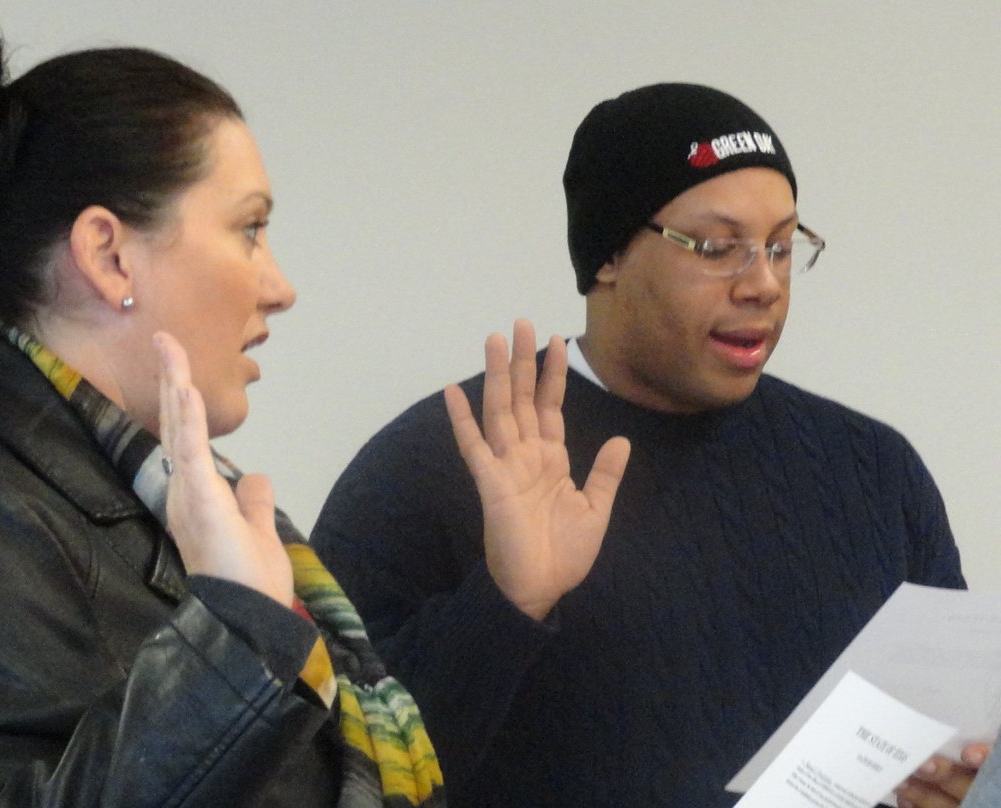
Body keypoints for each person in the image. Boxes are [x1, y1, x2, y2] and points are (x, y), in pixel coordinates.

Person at [0, 10, 631, 805]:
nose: (280, 287)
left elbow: (330, 778)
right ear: (109, 256)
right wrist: (234, 646)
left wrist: (509, 600)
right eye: (250, 229)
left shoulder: (150, 495)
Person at [311, 83, 986, 808]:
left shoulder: (873, 472)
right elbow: (332, 775)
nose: (763, 284)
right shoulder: (439, 468)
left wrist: (966, 788)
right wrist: (506, 605)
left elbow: (953, 741)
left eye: (781, 247)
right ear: (609, 254)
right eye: (717, 248)